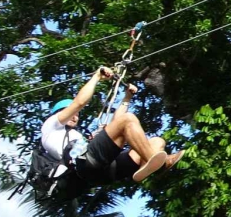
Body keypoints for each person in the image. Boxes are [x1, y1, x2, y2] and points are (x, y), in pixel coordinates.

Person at [39, 67, 182, 194]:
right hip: (85, 165)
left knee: (157, 142)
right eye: (70, 113)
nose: (74, 116)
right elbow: (79, 103)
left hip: (106, 172)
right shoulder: (51, 126)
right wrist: (96, 77)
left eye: (77, 115)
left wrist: (127, 98)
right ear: (58, 113)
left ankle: (149, 164)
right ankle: (160, 164)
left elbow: (117, 125)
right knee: (128, 119)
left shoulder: (75, 136)